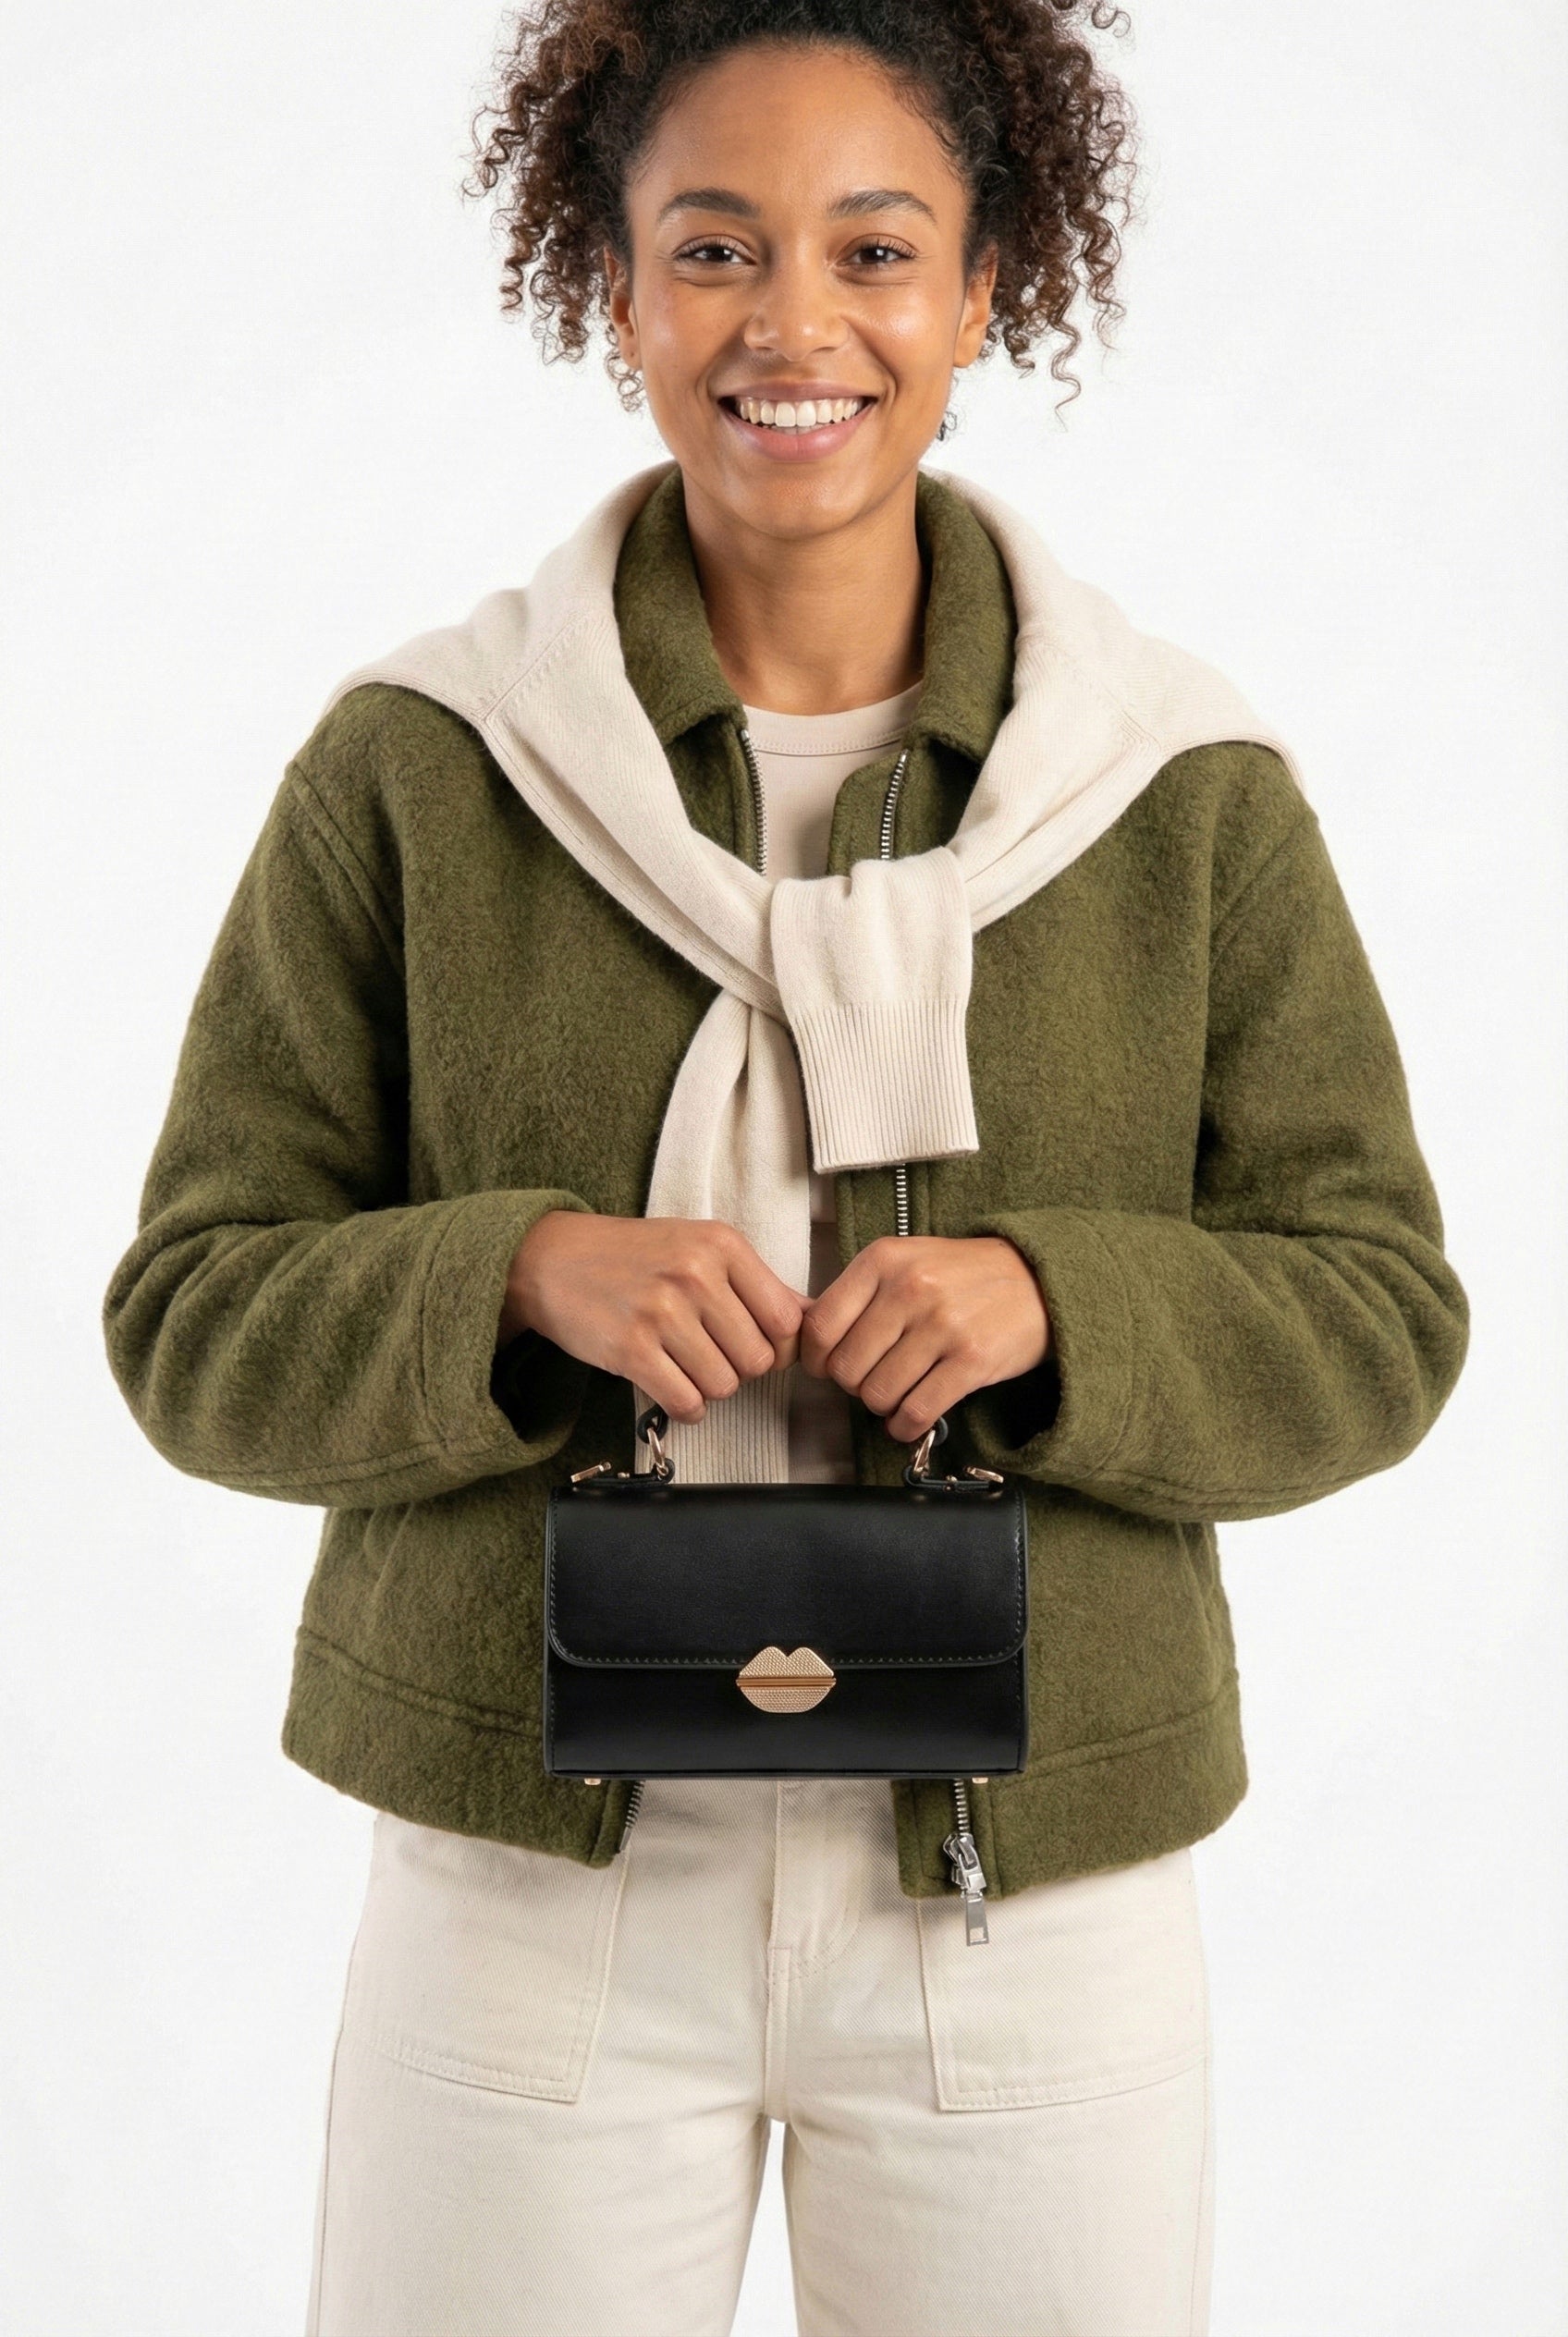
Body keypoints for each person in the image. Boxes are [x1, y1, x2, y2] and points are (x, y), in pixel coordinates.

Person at [101, 2, 1470, 2330]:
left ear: (984, 289)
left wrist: (1061, 1306)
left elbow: (1375, 1309)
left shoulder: (1172, 787)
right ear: (615, 286)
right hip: (534, 1888)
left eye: (875, 249)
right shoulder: (426, 766)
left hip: (1024, 1898)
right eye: (714, 247)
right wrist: (516, 1275)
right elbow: (192, 1313)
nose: (792, 324)